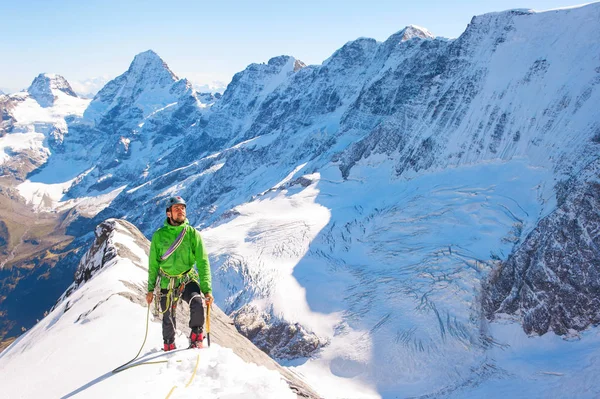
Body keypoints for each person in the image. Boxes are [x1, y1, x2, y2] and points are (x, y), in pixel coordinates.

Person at [146, 196, 213, 351]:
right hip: (166, 280)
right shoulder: (159, 236)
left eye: (182, 208)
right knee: (167, 315)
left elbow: (203, 262)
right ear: (168, 213)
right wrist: (150, 289)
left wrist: (207, 290)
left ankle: (197, 336)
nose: (181, 211)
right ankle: (169, 343)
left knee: (197, 301)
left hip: (186, 278)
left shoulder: (192, 234)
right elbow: (153, 264)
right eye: (176, 208)